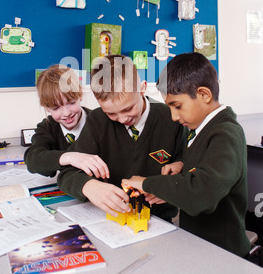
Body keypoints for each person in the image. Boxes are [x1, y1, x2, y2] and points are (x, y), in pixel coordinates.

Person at [122, 52, 251, 257]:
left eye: (178, 106)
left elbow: (203, 193)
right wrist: (182, 165)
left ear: (204, 94)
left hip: (225, 254)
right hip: (199, 245)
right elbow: (204, 167)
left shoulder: (226, 133)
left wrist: (147, 183)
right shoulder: (198, 130)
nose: (173, 117)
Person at [57, 54, 186, 221]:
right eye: (111, 113)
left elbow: (193, 166)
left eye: (128, 109)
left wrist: (177, 176)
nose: (123, 119)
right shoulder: (97, 121)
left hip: (160, 220)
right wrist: (88, 186)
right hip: (110, 220)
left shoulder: (172, 117)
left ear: (142, 88)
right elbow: (67, 173)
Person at [24, 64, 109, 179]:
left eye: (71, 102)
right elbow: (33, 160)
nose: (66, 113)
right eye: (56, 108)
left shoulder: (100, 121)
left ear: (80, 94)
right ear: (46, 107)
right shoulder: (48, 127)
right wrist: (70, 157)